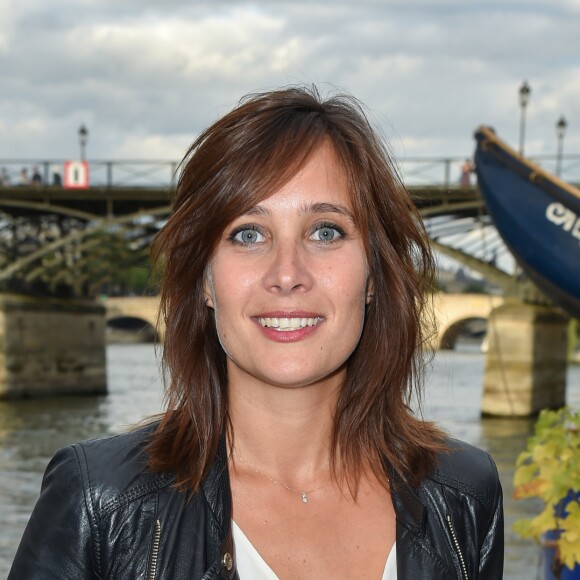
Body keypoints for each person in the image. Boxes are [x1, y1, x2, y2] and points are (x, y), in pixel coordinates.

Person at [9, 86, 503, 579]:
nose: (287, 273)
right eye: (248, 234)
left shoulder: (464, 497)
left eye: (325, 231)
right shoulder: (99, 503)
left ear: (373, 274)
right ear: (204, 279)